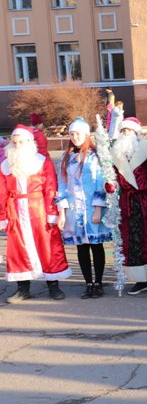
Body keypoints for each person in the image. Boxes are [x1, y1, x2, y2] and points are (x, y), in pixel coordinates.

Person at [0, 125, 71, 302]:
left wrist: (52, 212)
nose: (16, 146)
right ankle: (23, 288)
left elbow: (50, 187)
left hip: (38, 209)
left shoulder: (41, 161)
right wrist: (3, 216)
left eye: (20, 142)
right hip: (16, 211)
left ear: (29, 142)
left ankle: (53, 286)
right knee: (18, 249)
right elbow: (1, 192)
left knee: (48, 246)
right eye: (14, 143)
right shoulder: (6, 165)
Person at [56, 117, 112, 298]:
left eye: (78, 133)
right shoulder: (67, 159)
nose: (75, 137)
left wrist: (98, 209)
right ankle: (88, 283)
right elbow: (62, 186)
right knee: (81, 247)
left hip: (91, 209)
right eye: (72, 134)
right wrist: (62, 212)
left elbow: (100, 183)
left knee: (96, 246)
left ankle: (99, 282)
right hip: (74, 211)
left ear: (86, 134)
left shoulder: (95, 157)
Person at [111, 117, 147, 294]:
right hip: (127, 200)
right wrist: (109, 185)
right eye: (123, 131)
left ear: (136, 132)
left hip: (146, 199)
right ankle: (139, 279)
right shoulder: (116, 152)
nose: (125, 134)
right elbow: (111, 176)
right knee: (132, 240)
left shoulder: (146, 147)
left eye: (129, 130)